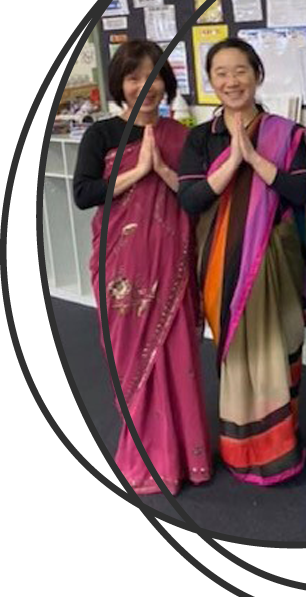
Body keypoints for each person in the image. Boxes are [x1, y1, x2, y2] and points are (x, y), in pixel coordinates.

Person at [73, 40, 212, 495]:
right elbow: (84, 194)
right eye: (134, 77)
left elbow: (195, 197)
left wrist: (164, 170)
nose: (145, 86)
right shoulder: (102, 135)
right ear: (120, 84)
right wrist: (139, 171)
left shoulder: (183, 136)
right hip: (121, 269)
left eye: (153, 76)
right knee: (131, 358)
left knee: (177, 356)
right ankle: (146, 456)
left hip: (171, 266)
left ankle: (186, 459)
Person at [178, 38, 306, 485]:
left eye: (240, 70)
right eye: (221, 73)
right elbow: (191, 199)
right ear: (210, 81)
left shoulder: (286, 133)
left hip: (275, 259)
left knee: (277, 351)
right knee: (238, 359)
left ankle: (281, 448)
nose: (232, 81)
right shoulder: (201, 138)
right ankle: (242, 452)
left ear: (257, 74)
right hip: (223, 265)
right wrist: (233, 160)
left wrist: (254, 158)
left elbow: (301, 192)